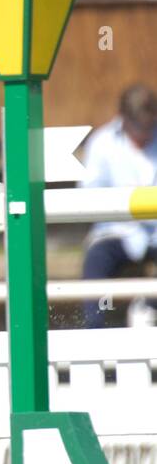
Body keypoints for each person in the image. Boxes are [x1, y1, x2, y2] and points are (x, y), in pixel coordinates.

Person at [79, 84, 157, 328]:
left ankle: (149, 311)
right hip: (115, 231)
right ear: (123, 119)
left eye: (149, 126)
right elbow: (87, 192)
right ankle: (94, 334)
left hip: (155, 234)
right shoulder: (102, 143)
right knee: (95, 261)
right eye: (139, 126)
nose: (145, 133)